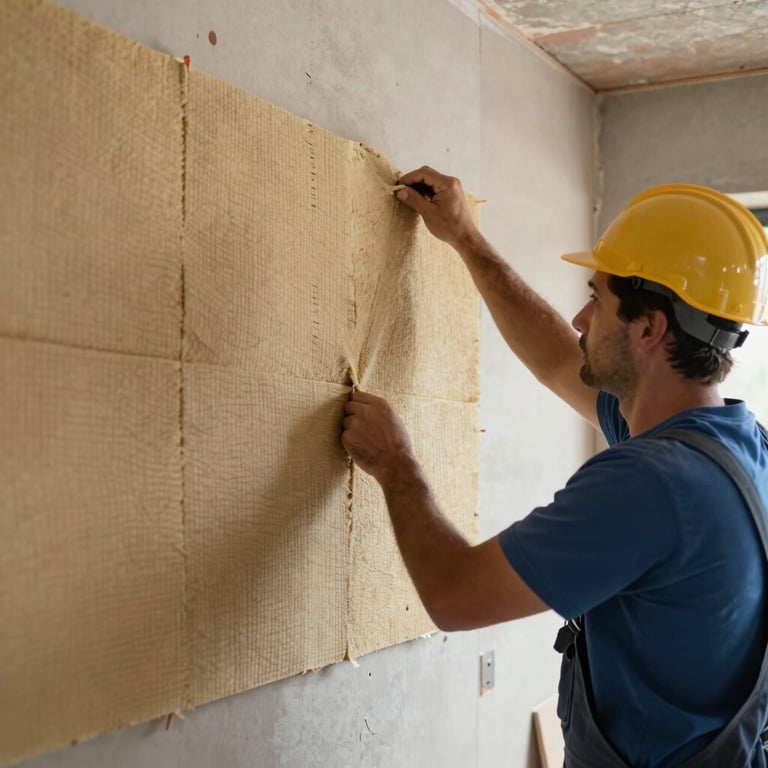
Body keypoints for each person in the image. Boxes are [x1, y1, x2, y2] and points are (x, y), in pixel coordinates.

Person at [340, 166, 768, 767]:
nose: (580, 319)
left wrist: (395, 464)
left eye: (597, 300)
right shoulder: (735, 449)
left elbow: (455, 596)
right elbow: (558, 360)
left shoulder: (652, 484)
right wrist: (466, 237)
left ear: (649, 327)